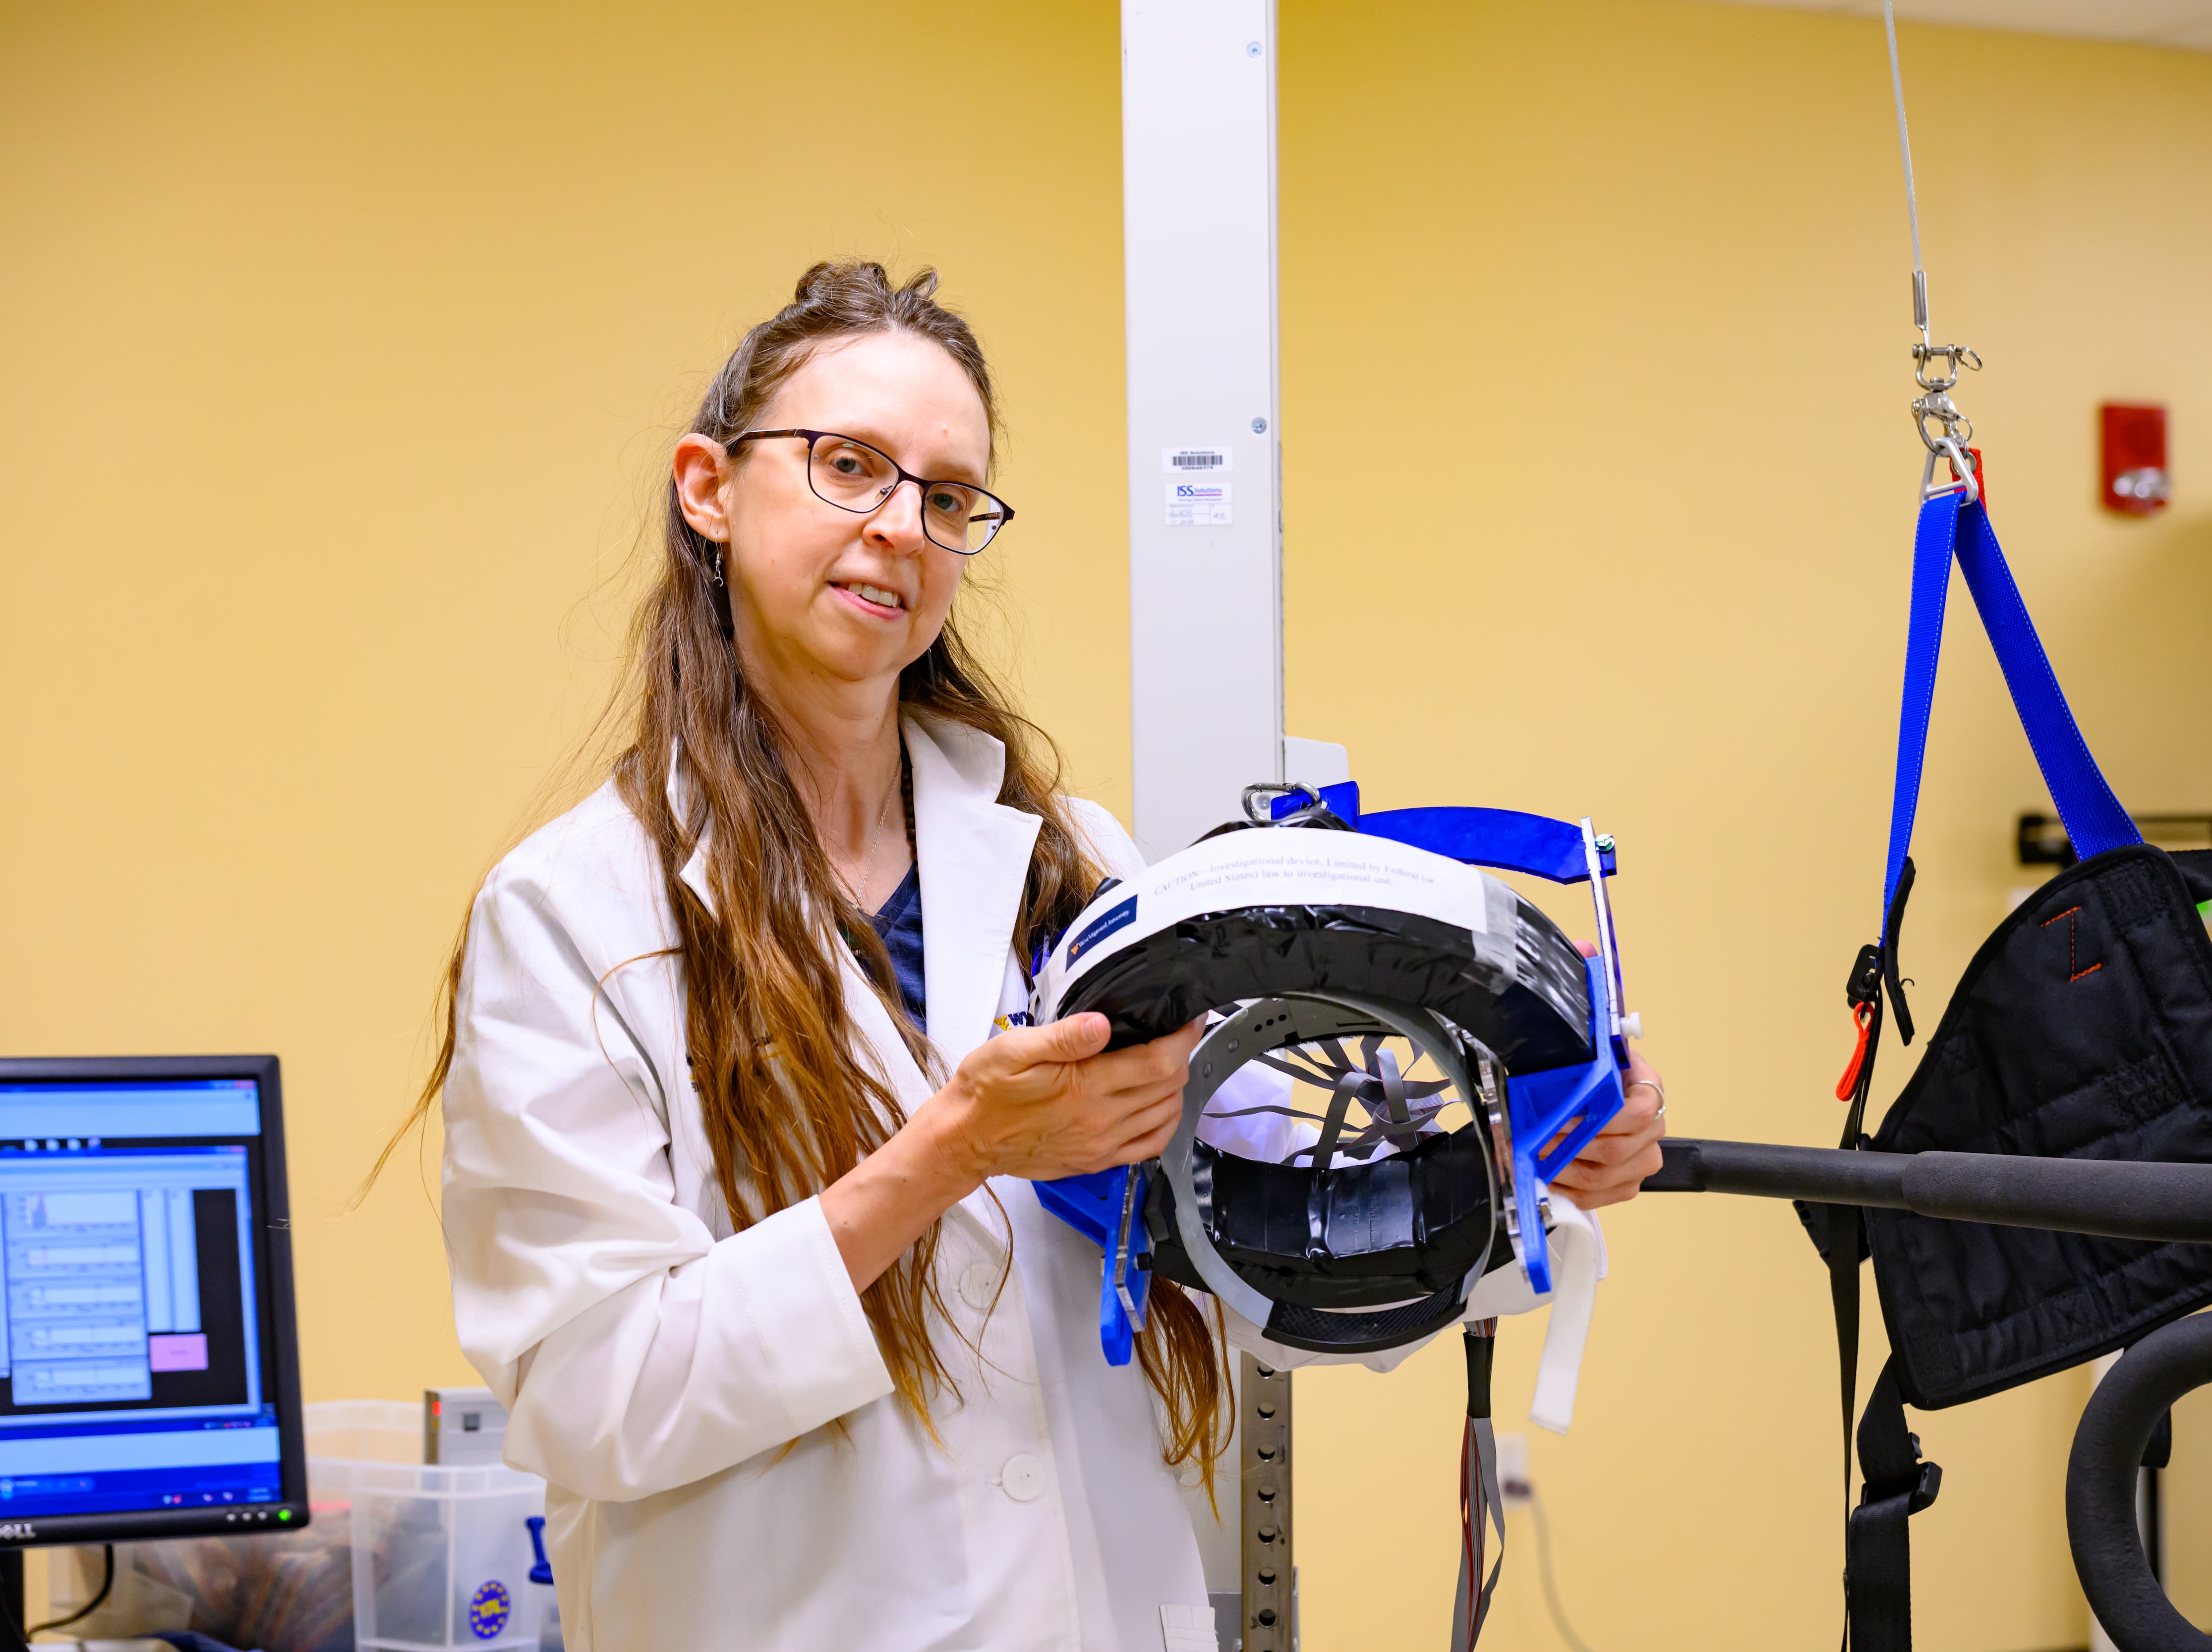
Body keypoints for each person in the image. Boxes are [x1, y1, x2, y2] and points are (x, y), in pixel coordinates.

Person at [419, 261, 1669, 1651]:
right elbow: (597, 1399)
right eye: (850, 466)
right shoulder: (575, 913)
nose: (901, 527)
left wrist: (1526, 1170)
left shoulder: (1070, 864)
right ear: (709, 488)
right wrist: (949, 1151)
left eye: (948, 497)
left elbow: (1259, 1231)